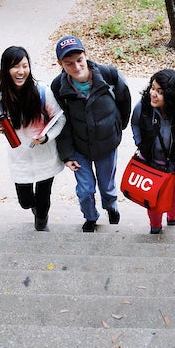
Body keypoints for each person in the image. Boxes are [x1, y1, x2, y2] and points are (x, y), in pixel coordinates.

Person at [51, 35, 131, 232]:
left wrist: (116, 128)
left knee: (107, 186)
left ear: (86, 55)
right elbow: (61, 123)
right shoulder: (58, 88)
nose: (77, 67)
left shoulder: (109, 75)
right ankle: (90, 217)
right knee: (85, 190)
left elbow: (124, 102)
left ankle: (110, 206)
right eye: (69, 63)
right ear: (60, 64)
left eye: (79, 60)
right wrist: (67, 155)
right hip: (79, 147)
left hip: (106, 144)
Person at [0, 46, 66, 231]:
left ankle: (41, 224)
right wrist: (3, 128)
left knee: (43, 200)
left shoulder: (41, 91)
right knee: (25, 202)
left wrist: (47, 136)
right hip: (20, 156)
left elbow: (60, 118)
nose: (21, 71)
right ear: (6, 69)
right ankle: (35, 212)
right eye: (16, 66)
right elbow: (4, 124)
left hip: (45, 155)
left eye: (25, 66)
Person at [131, 69, 175, 234]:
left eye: (160, 92)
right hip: (151, 163)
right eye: (153, 88)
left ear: (172, 96)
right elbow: (135, 123)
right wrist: (139, 143)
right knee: (153, 200)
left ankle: (172, 217)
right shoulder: (144, 106)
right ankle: (155, 228)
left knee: (171, 199)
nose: (153, 94)